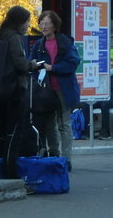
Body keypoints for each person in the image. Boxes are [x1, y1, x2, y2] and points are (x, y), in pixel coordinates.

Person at [28, 10, 82, 164]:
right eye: (41, 23)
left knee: (64, 123)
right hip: (45, 90)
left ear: (54, 25)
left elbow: (73, 63)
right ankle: (54, 155)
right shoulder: (39, 44)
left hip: (63, 88)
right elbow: (32, 61)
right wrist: (33, 65)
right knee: (50, 123)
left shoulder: (65, 42)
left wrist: (52, 68)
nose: (43, 26)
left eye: (46, 23)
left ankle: (66, 160)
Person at [0, 5, 33, 179]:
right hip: (14, 89)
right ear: (20, 21)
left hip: (0, 88)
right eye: (26, 21)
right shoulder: (14, 38)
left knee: (0, 132)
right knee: (14, 131)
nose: (28, 25)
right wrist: (32, 65)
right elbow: (20, 63)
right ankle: (9, 170)